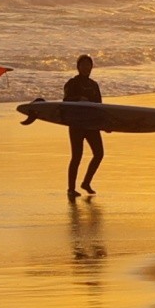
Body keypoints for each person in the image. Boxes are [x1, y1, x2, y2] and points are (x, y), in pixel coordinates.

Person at [64, 54, 104, 199]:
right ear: (78, 67)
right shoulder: (72, 83)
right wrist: (78, 99)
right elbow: (65, 100)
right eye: (84, 65)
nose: (86, 67)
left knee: (99, 154)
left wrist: (106, 124)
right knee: (76, 156)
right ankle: (71, 189)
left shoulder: (94, 85)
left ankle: (86, 182)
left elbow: (100, 107)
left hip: (92, 124)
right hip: (77, 124)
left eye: (89, 65)